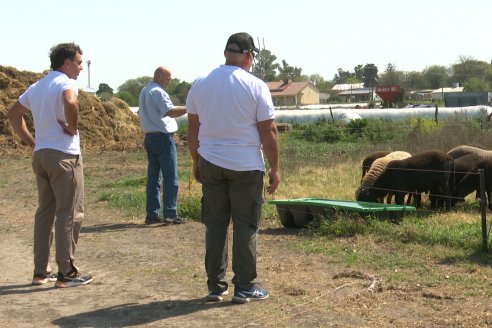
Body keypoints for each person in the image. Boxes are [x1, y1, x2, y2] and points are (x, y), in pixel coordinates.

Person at [186, 32, 280, 304]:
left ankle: (215, 287)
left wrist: (196, 160)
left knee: (214, 225)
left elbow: (194, 129)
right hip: (246, 166)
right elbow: (269, 130)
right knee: (245, 225)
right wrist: (275, 168)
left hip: (211, 162)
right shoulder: (255, 85)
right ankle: (244, 286)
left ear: (227, 53)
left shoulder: (200, 84)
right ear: (249, 56)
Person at [7, 42, 93, 288]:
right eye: (78, 63)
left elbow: (13, 115)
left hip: (41, 154)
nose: (79, 68)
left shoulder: (37, 86)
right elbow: (71, 101)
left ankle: (41, 272)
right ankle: (66, 272)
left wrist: (32, 142)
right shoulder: (66, 83)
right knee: (69, 213)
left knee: (45, 212)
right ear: (66, 63)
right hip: (64, 155)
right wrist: (73, 126)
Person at [138, 66, 187, 225]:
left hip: (150, 137)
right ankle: (170, 213)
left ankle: (152, 214)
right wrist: (190, 108)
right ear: (159, 77)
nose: (169, 82)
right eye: (168, 78)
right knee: (170, 177)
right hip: (163, 137)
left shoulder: (145, 91)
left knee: (153, 178)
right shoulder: (158, 92)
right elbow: (170, 111)